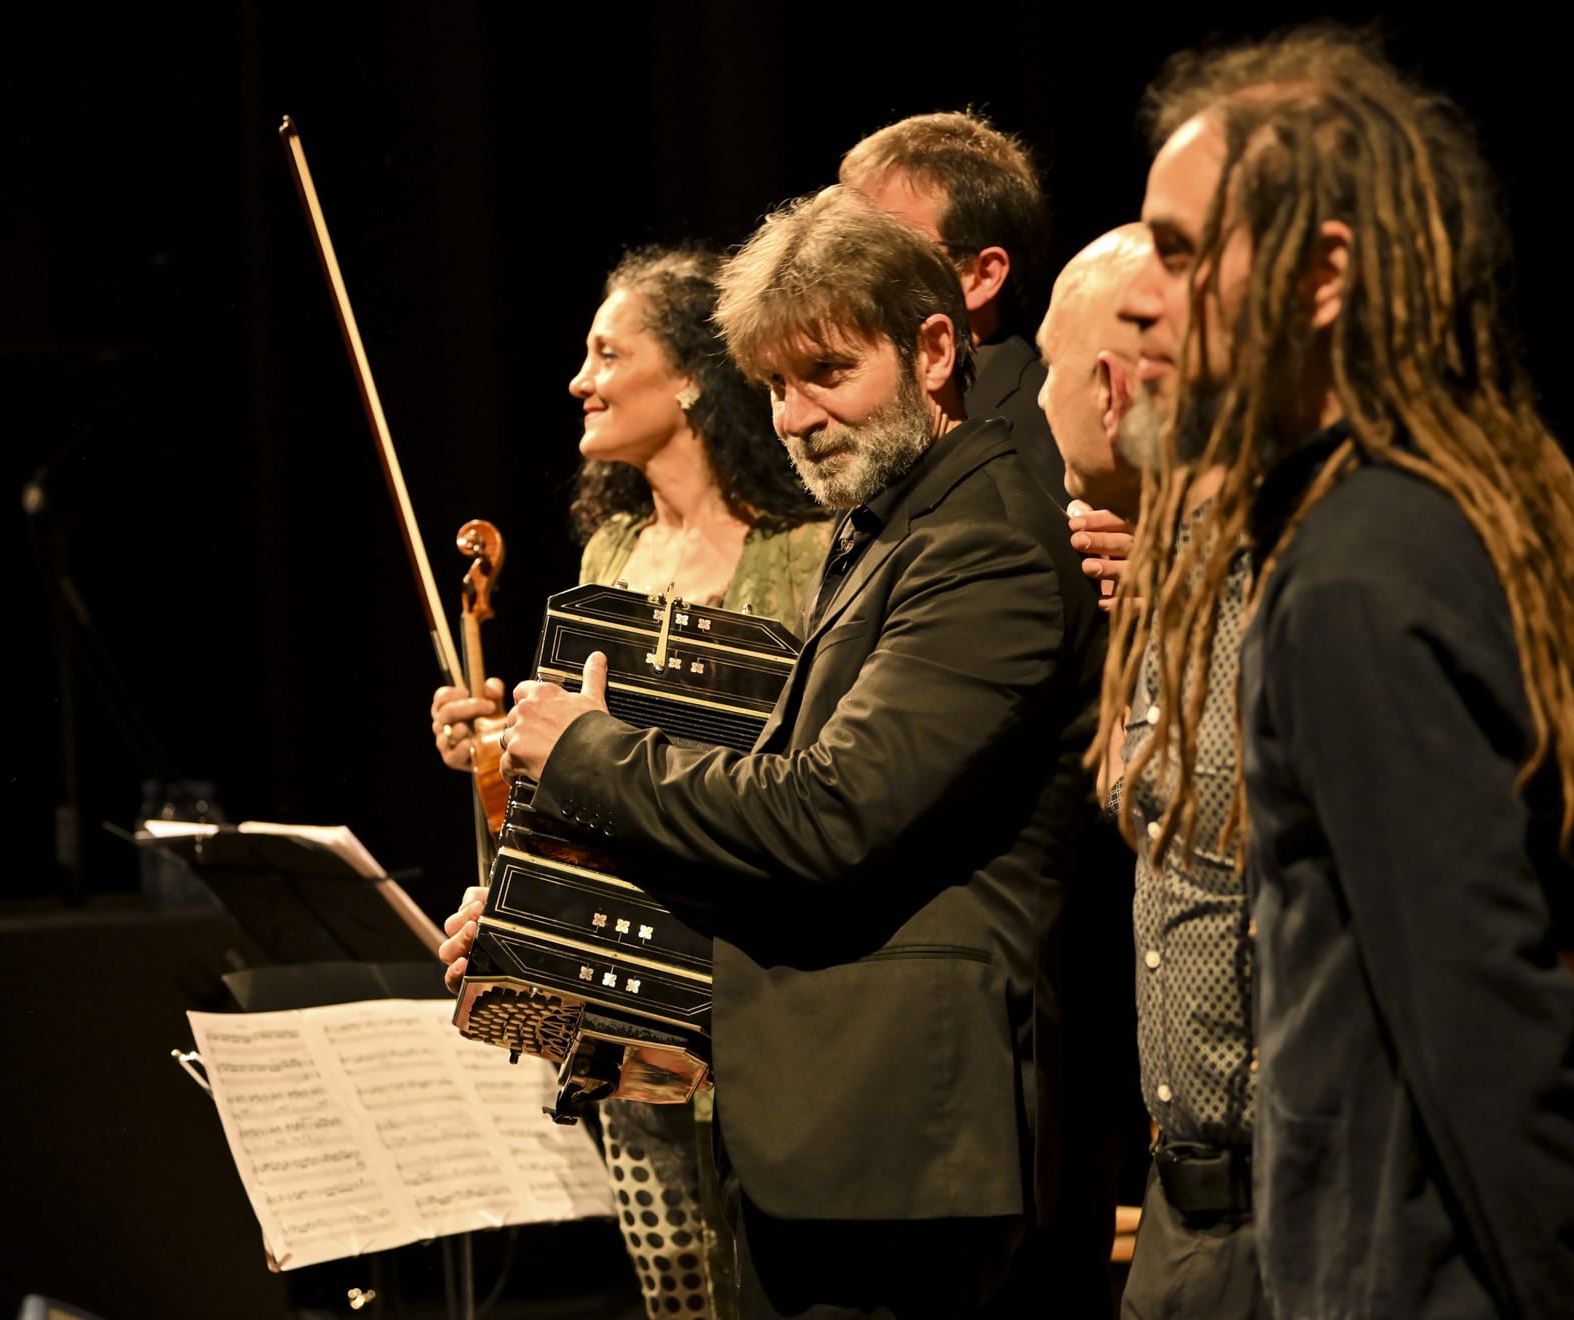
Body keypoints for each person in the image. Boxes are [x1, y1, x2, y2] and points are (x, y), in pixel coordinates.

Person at [1097, 27, 1574, 1316]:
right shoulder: (1461, 512)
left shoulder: (1357, 574)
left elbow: (1487, 1042)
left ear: (1326, 276)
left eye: (1186, 253)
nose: (1142, 296)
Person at [447, 184, 1106, 1318]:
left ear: (936, 347)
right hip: (833, 1133)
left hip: (901, 1146)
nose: (797, 418)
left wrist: (591, 753)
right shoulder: (888, 521)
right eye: (777, 388)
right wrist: (540, 934)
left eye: (829, 374)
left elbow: (828, 811)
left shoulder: (983, 540)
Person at [430, 244, 829, 1320]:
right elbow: (575, 789)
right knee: (676, 1300)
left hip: (745, 978)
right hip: (618, 991)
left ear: (694, 374)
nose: (580, 378)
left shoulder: (802, 554)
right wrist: (499, 752)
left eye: (610, 351)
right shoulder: (608, 549)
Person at [1041, 221, 1265, 1317]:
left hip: (1302, 1189)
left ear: (1110, 385)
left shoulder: (1297, 574)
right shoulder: (1147, 580)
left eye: (1042, 369)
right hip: (1183, 1188)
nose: (1032, 404)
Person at [840, 110, 1067, 503]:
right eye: (843, 243)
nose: (841, 270)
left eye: (883, 246)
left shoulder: (1041, 433)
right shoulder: (877, 409)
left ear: (980, 276)